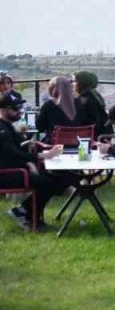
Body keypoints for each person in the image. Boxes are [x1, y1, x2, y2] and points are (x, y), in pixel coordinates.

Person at [0, 91, 66, 229]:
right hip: (7, 173)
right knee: (47, 183)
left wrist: (43, 152)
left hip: (17, 169)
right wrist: (42, 157)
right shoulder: (2, 129)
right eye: (15, 109)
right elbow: (13, 154)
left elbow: (23, 148)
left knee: (62, 179)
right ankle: (26, 214)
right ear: (3, 110)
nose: (20, 112)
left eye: (21, 108)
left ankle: (26, 212)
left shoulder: (8, 126)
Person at [73, 70, 110, 140]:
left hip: (92, 135)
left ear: (82, 83)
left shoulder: (85, 98)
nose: (73, 84)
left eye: (75, 81)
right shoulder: (95, 95)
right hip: (103, 132)